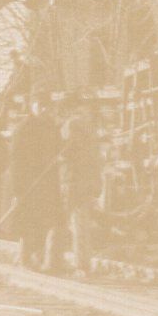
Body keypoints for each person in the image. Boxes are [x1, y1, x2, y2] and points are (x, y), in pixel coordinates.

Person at [8, 93, 61, 270]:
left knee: (45, 221)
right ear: (32, 106)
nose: (44, 109)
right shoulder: (23, 128)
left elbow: (58, 149)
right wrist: (17, 189)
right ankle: (24, 258)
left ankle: (39, 257)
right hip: (28, 183)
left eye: (47, 106)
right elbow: (16, 160)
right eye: (40, 105)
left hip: (47, 182)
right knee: (27, 221)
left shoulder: (51, 127)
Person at [59, 101, 102, 273]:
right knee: (79, 224)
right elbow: (95, 161)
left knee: (69, 223)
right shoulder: (89, 133)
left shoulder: (72, 128)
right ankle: (82, 263)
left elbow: (65, 153)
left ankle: (69, 261)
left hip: (72, 182)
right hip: (79, 182)